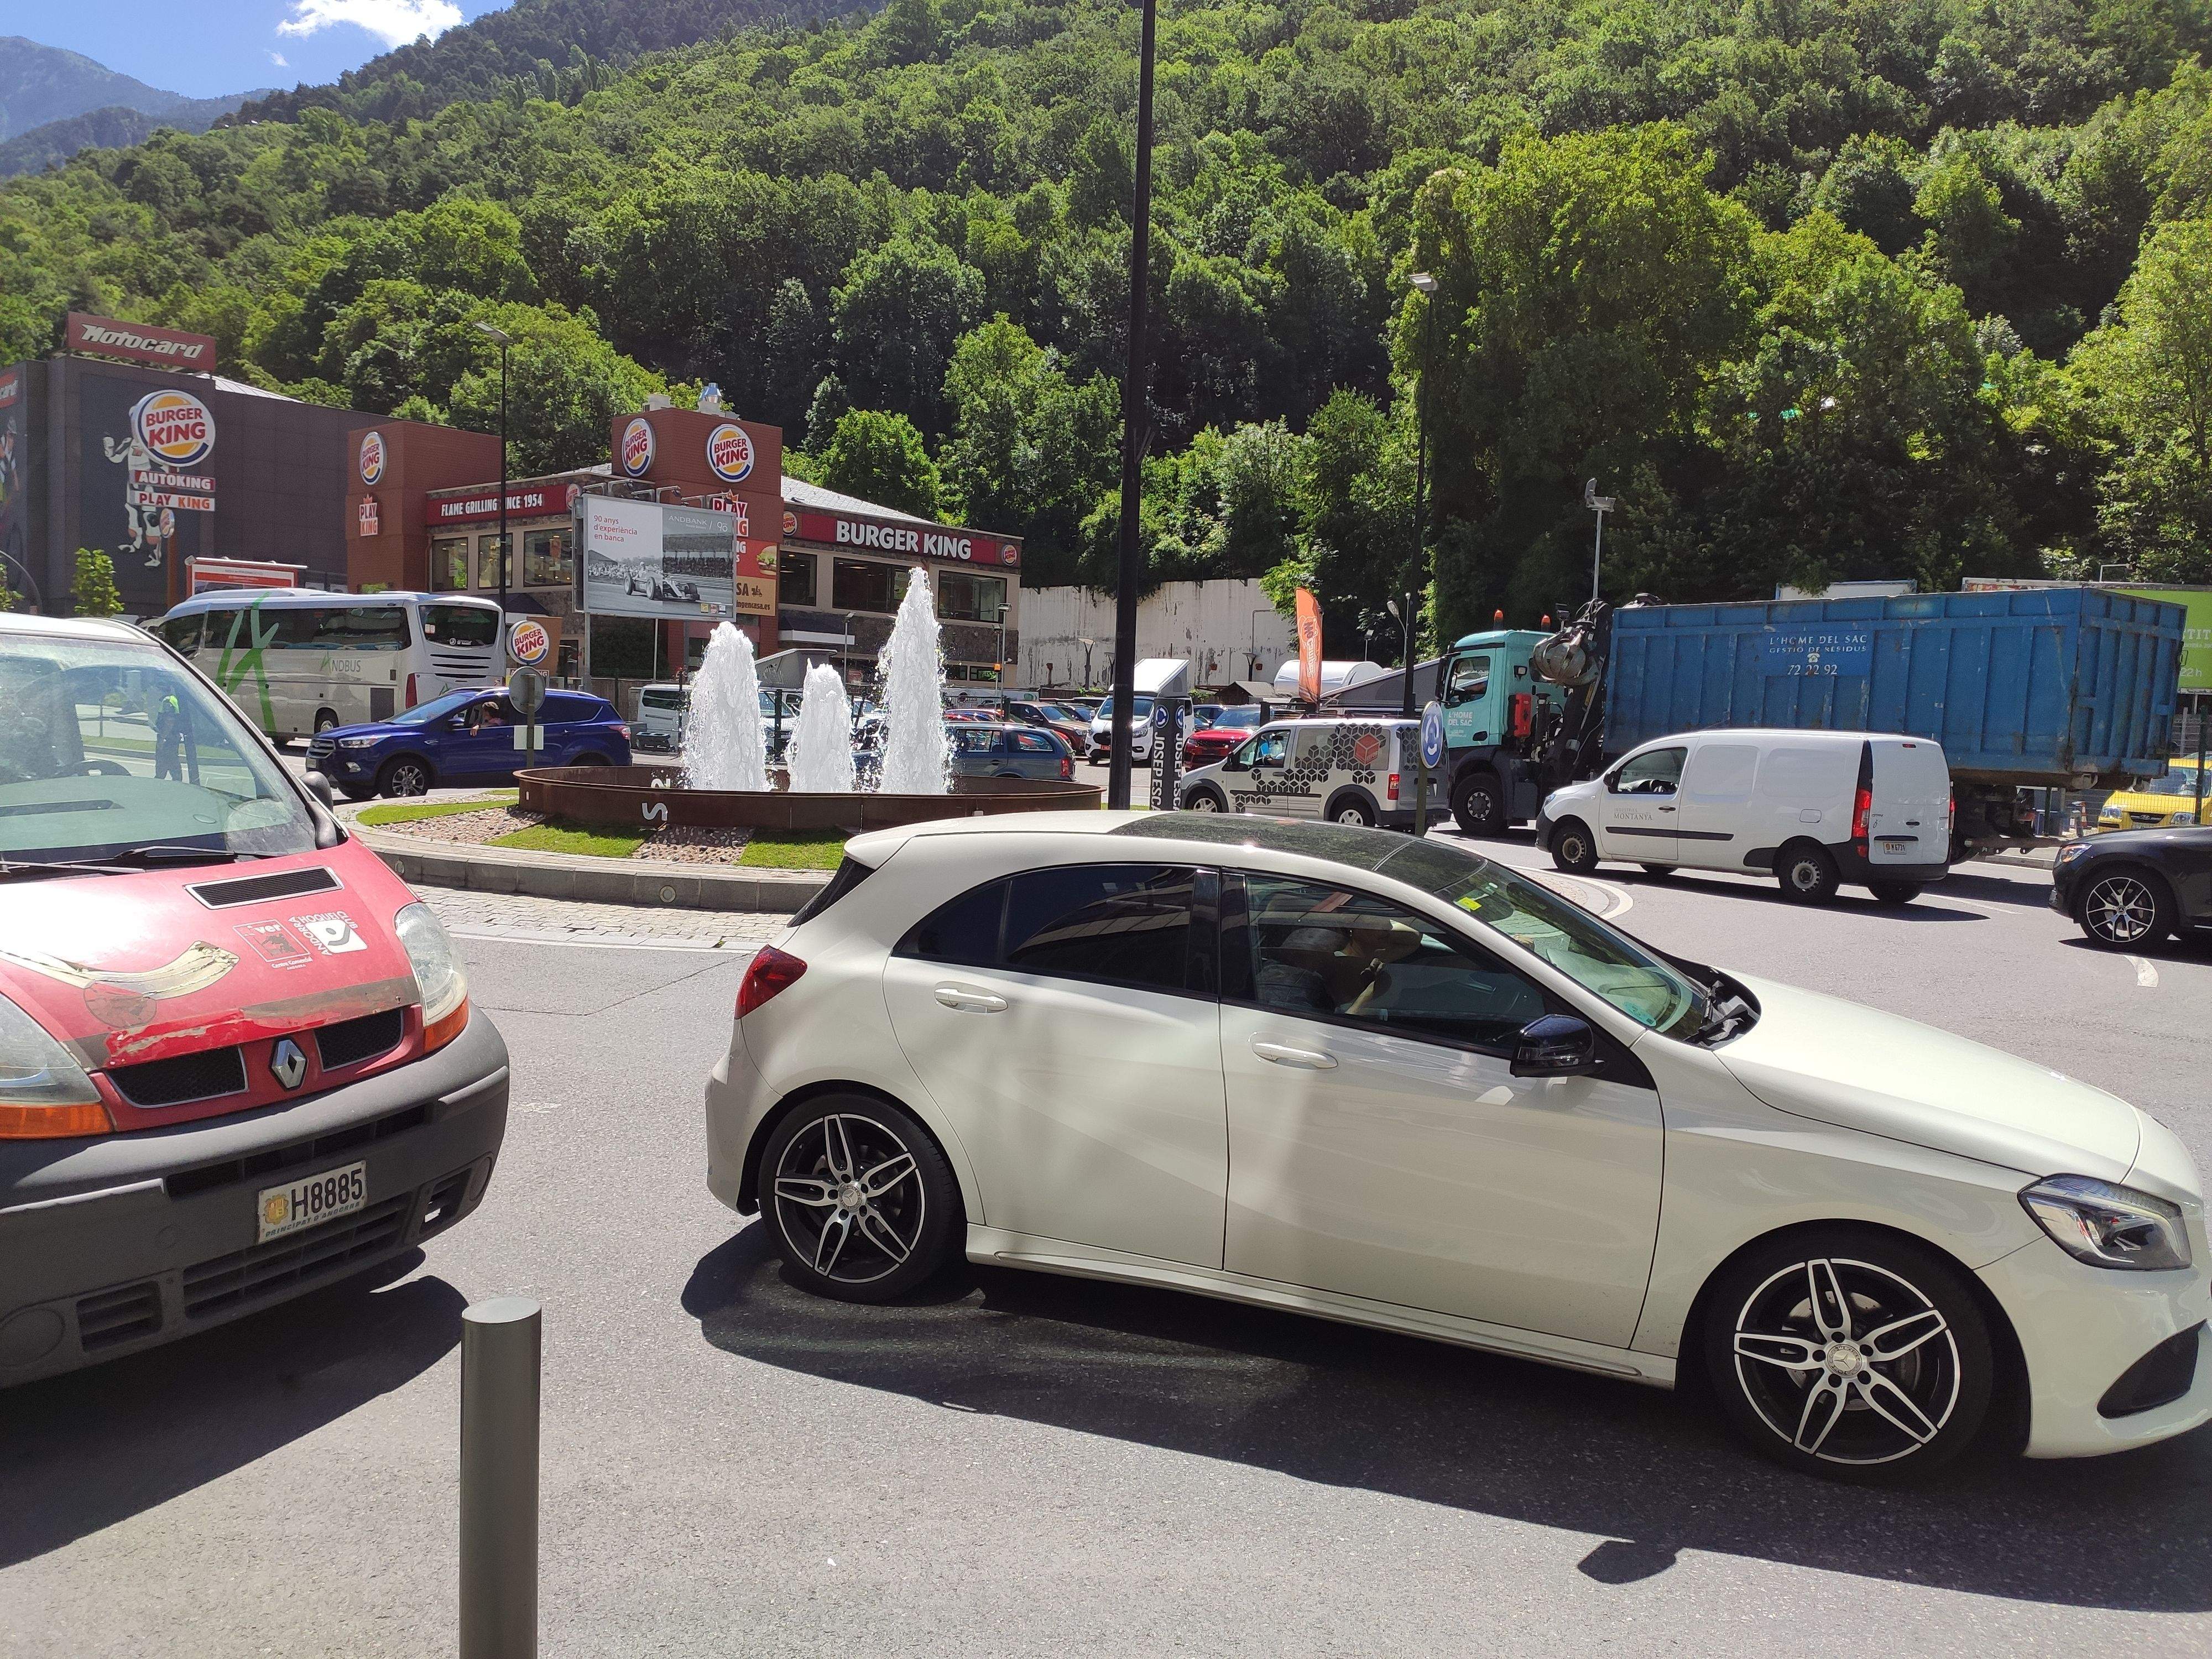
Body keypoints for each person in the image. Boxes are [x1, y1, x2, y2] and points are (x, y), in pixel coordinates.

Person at [153, 688, 185, 781]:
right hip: (169, 742)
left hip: (168, 743)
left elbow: (169, 720)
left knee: (162, 775)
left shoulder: (169, 700)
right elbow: (170, 720)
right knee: (174, 776)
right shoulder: (170, 700)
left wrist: (163, 739)